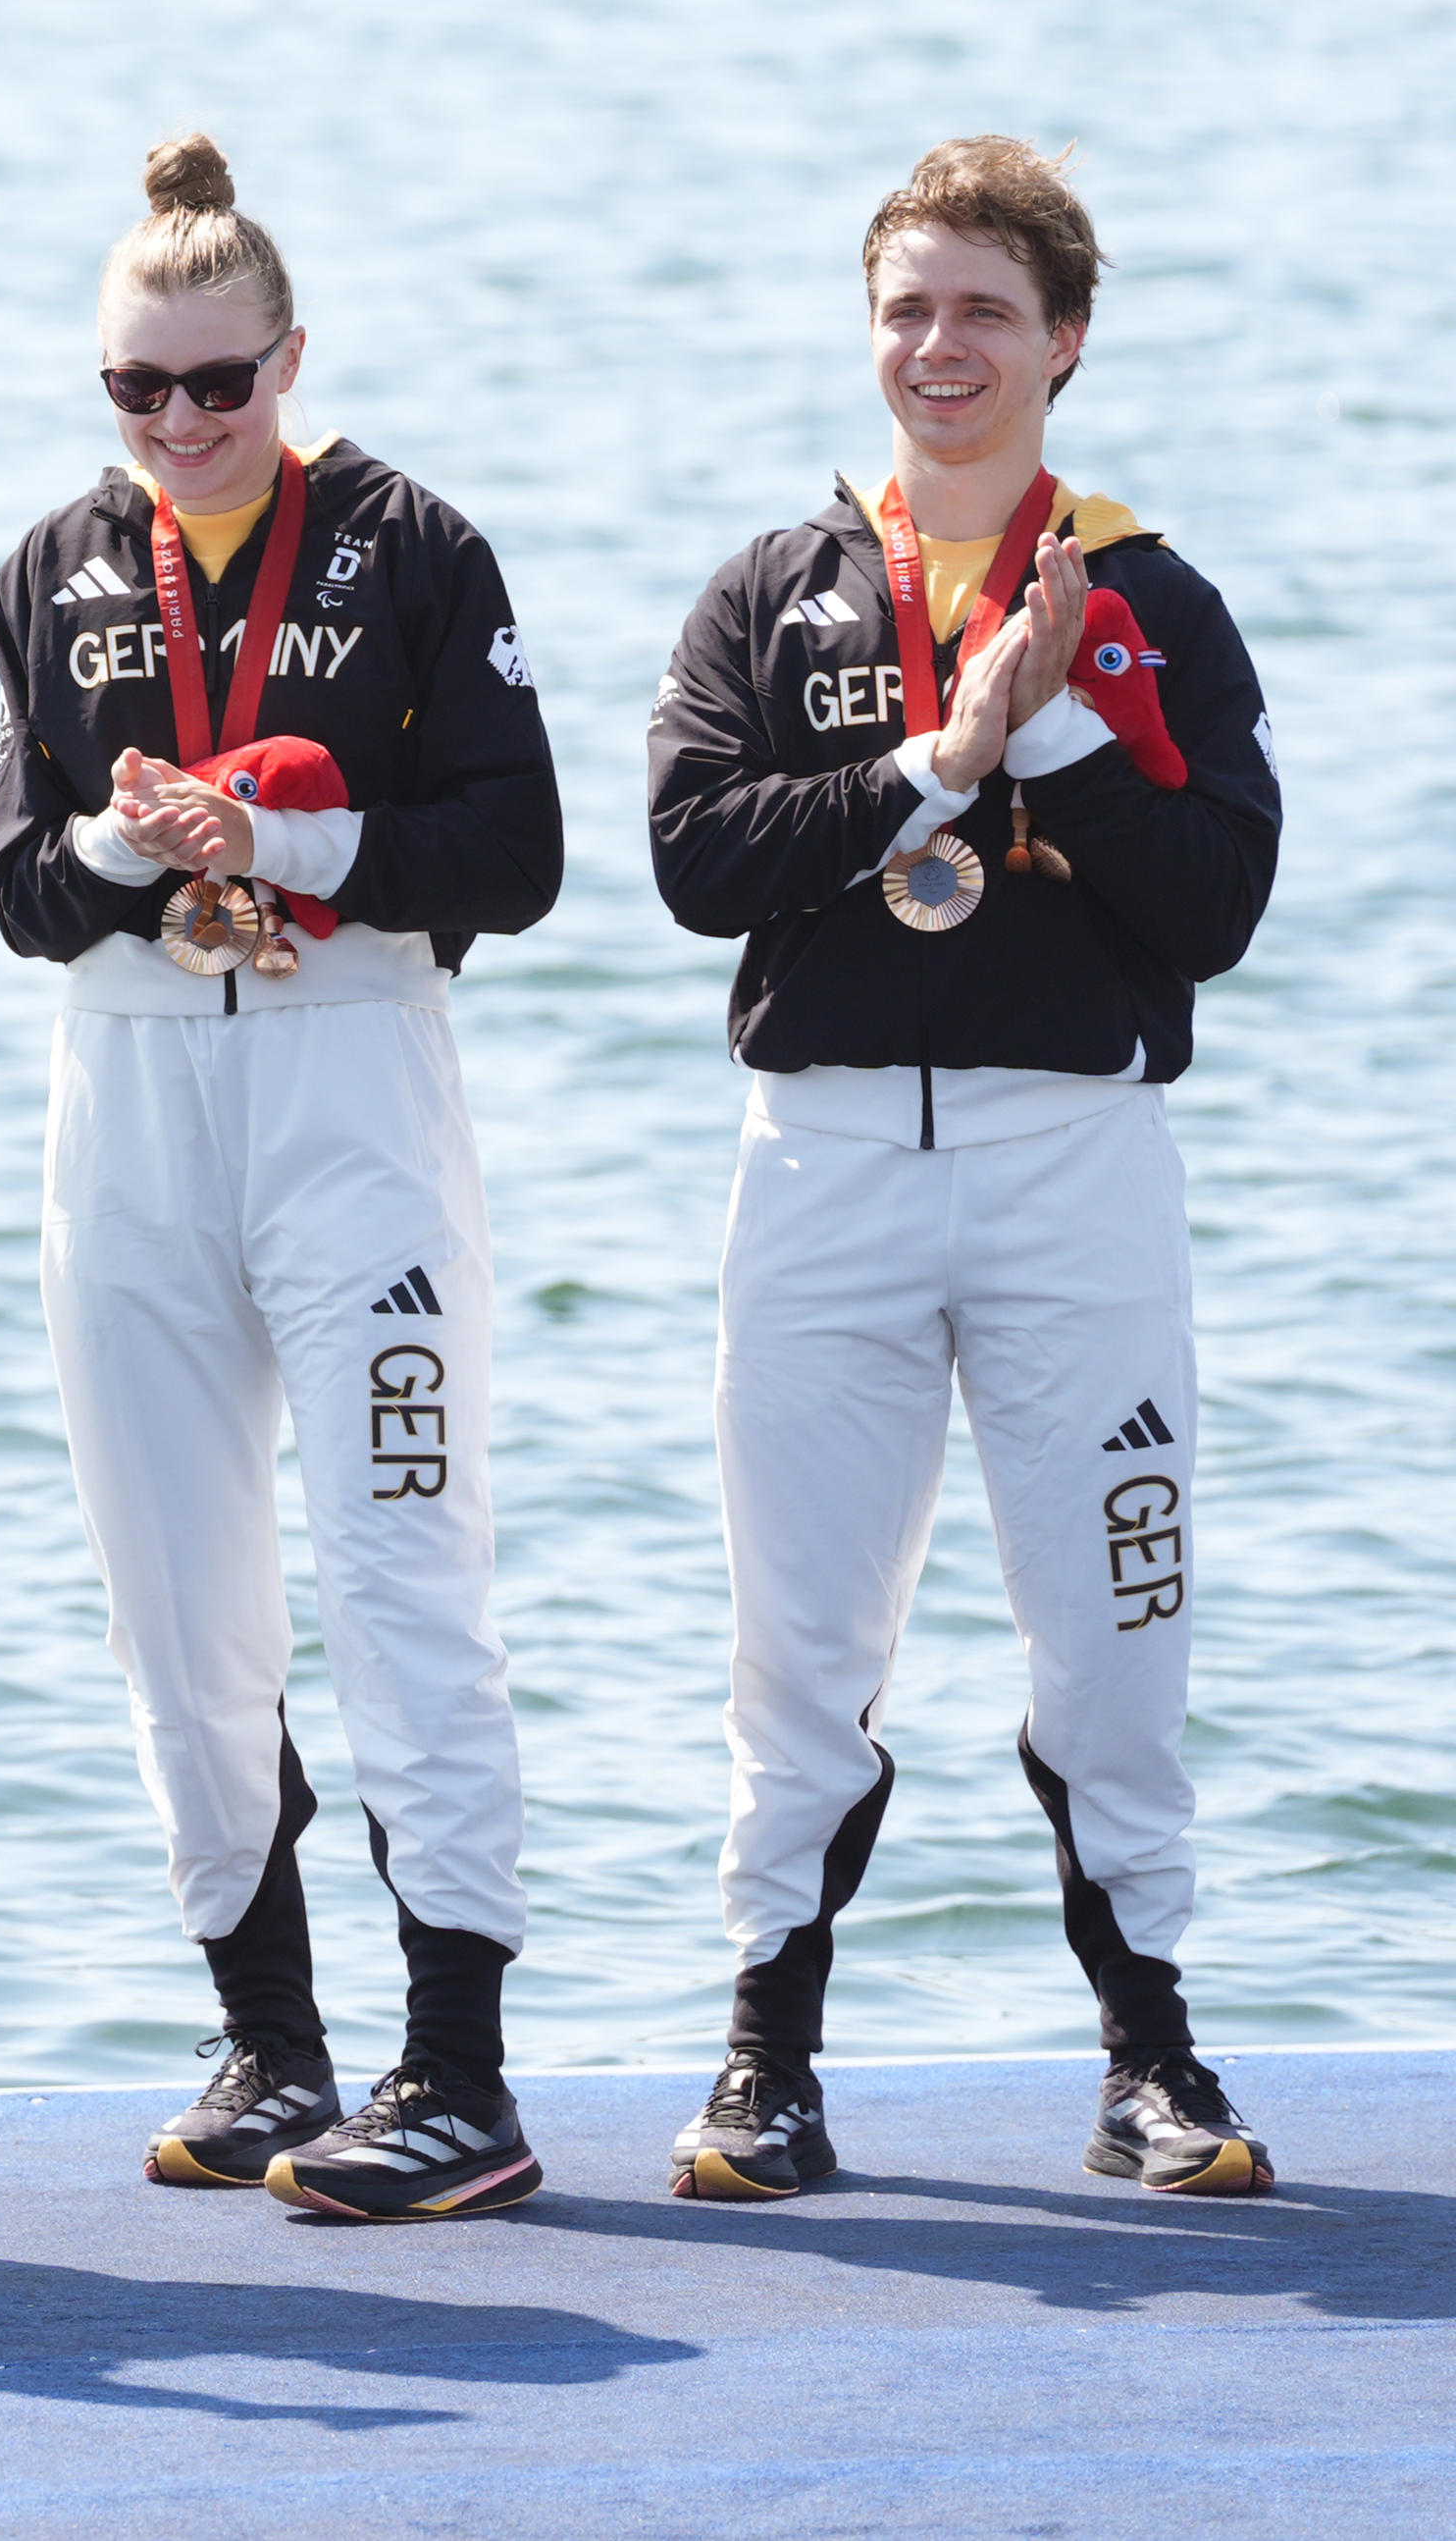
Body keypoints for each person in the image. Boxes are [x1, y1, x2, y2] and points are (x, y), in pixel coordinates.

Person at [645, 137, 1282, 2202]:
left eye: (985, 309)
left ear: (1062, 341)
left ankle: (1152, 2057)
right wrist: (936, 758)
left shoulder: (1153, 601)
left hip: (1068, 1163)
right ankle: (764, 2060)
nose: (941, 345)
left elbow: (1216, 908)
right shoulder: (772, 589)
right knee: (799, 1634)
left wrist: (1062, 729)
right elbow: (689, 860)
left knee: (1116, 1617)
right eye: (907, 306)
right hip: (819, 1161)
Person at [0, 134, 563, 2220]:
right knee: (174, 1602)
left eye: (214, 383)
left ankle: (460, 2070)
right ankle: (269, 2033)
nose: (177, 424)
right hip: (126, 1097)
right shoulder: (52, 564)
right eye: (136, 390)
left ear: (288, 356)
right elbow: (19, 891)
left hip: (348, 1087)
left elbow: (518, 851)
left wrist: (284, 845)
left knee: (402, 1575)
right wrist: (140, 850)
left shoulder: (415, 549)